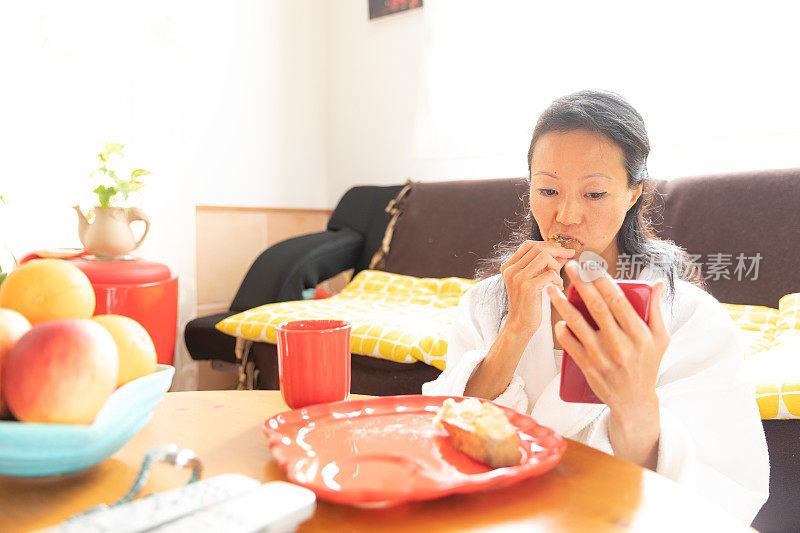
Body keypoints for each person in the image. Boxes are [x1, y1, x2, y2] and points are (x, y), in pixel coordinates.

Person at [422, 89, 769, 524]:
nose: (566, 215)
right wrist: (515, 331)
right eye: (548, 189)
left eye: (595, 194)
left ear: (632, 193)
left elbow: (722, 485)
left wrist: (634, 402)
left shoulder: (688, 317)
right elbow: (452, 429)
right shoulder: (486, 302)